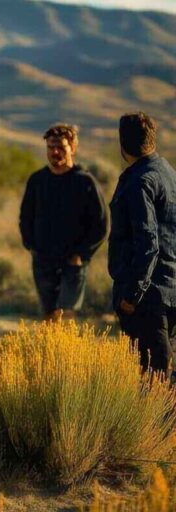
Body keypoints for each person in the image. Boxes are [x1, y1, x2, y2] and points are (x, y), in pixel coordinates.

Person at [109, 112, 176, 375]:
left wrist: (131, 296)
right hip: (170, 290)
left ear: (123, 144)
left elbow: (147, 244)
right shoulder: (169, 174)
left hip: (147, 298)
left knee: (151, 378)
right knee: (163, 376)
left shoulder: (139, 182)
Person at [20, 124, 108, 321]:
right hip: (43, 261)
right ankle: (52, 352)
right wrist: (32, 247)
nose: (55, 152)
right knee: (49, 317)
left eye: (61, 146)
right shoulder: (37, 180)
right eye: (50, 147)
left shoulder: (85, 181)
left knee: (67, 315)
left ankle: (66, 352)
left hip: (73, 262)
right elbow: (25, 218)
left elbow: (101, 224)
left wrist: (81, 254)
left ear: (73, 149)